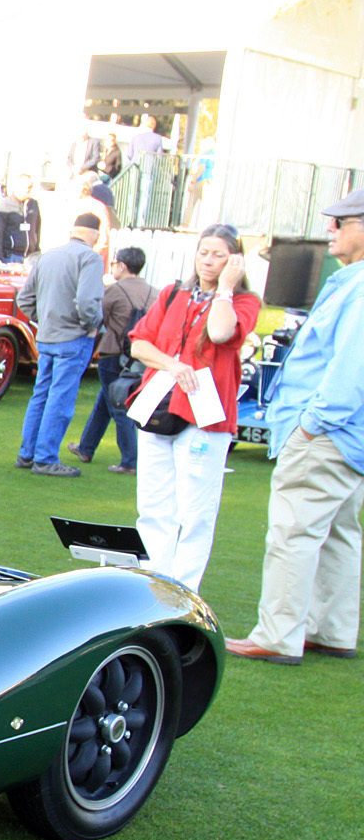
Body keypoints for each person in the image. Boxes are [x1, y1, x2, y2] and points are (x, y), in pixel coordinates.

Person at [229, 188, 364, 664]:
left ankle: (278, 635)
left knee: (294, 533)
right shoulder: (353, 281)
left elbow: (351, 367)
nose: (330, 230)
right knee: (341, 532)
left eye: (340, 222)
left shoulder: (361, 286)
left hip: (330, 432)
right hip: (348, 436)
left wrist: (312, 424)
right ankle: (333, 630)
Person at [124, 224, 260, 589]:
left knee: (195, 512)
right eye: (203, 252)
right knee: (153, 507)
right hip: (158, 408)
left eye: (219, 255)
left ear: (234, 260)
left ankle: (184, 592)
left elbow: (219, 334)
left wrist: (227, 289)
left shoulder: (243, 302)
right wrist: (173, 365)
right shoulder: (172, 294)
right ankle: (153, 583)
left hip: (205, 418)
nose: (209, 262)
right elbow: (139, 345)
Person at [13, 215, 106, 476]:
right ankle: (45, 458)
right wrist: (91, 325)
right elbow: (88, 301)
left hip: (48, 335)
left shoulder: (48, 256)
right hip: (73, 337)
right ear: (96, 236)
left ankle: (28, 454)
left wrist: (44, 319)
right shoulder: (90, 258)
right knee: (61, 398)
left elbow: (25, 298)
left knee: (41, 394)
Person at [69, 247, 153, 476]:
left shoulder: (114, 291)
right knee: (106, 400)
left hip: (114, 354)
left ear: (123, 266)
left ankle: (129, 460)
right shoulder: (153, 293)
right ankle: (86, 448)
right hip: (140, 356)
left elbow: (95, 316)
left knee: (119, 405)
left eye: (115, 263)